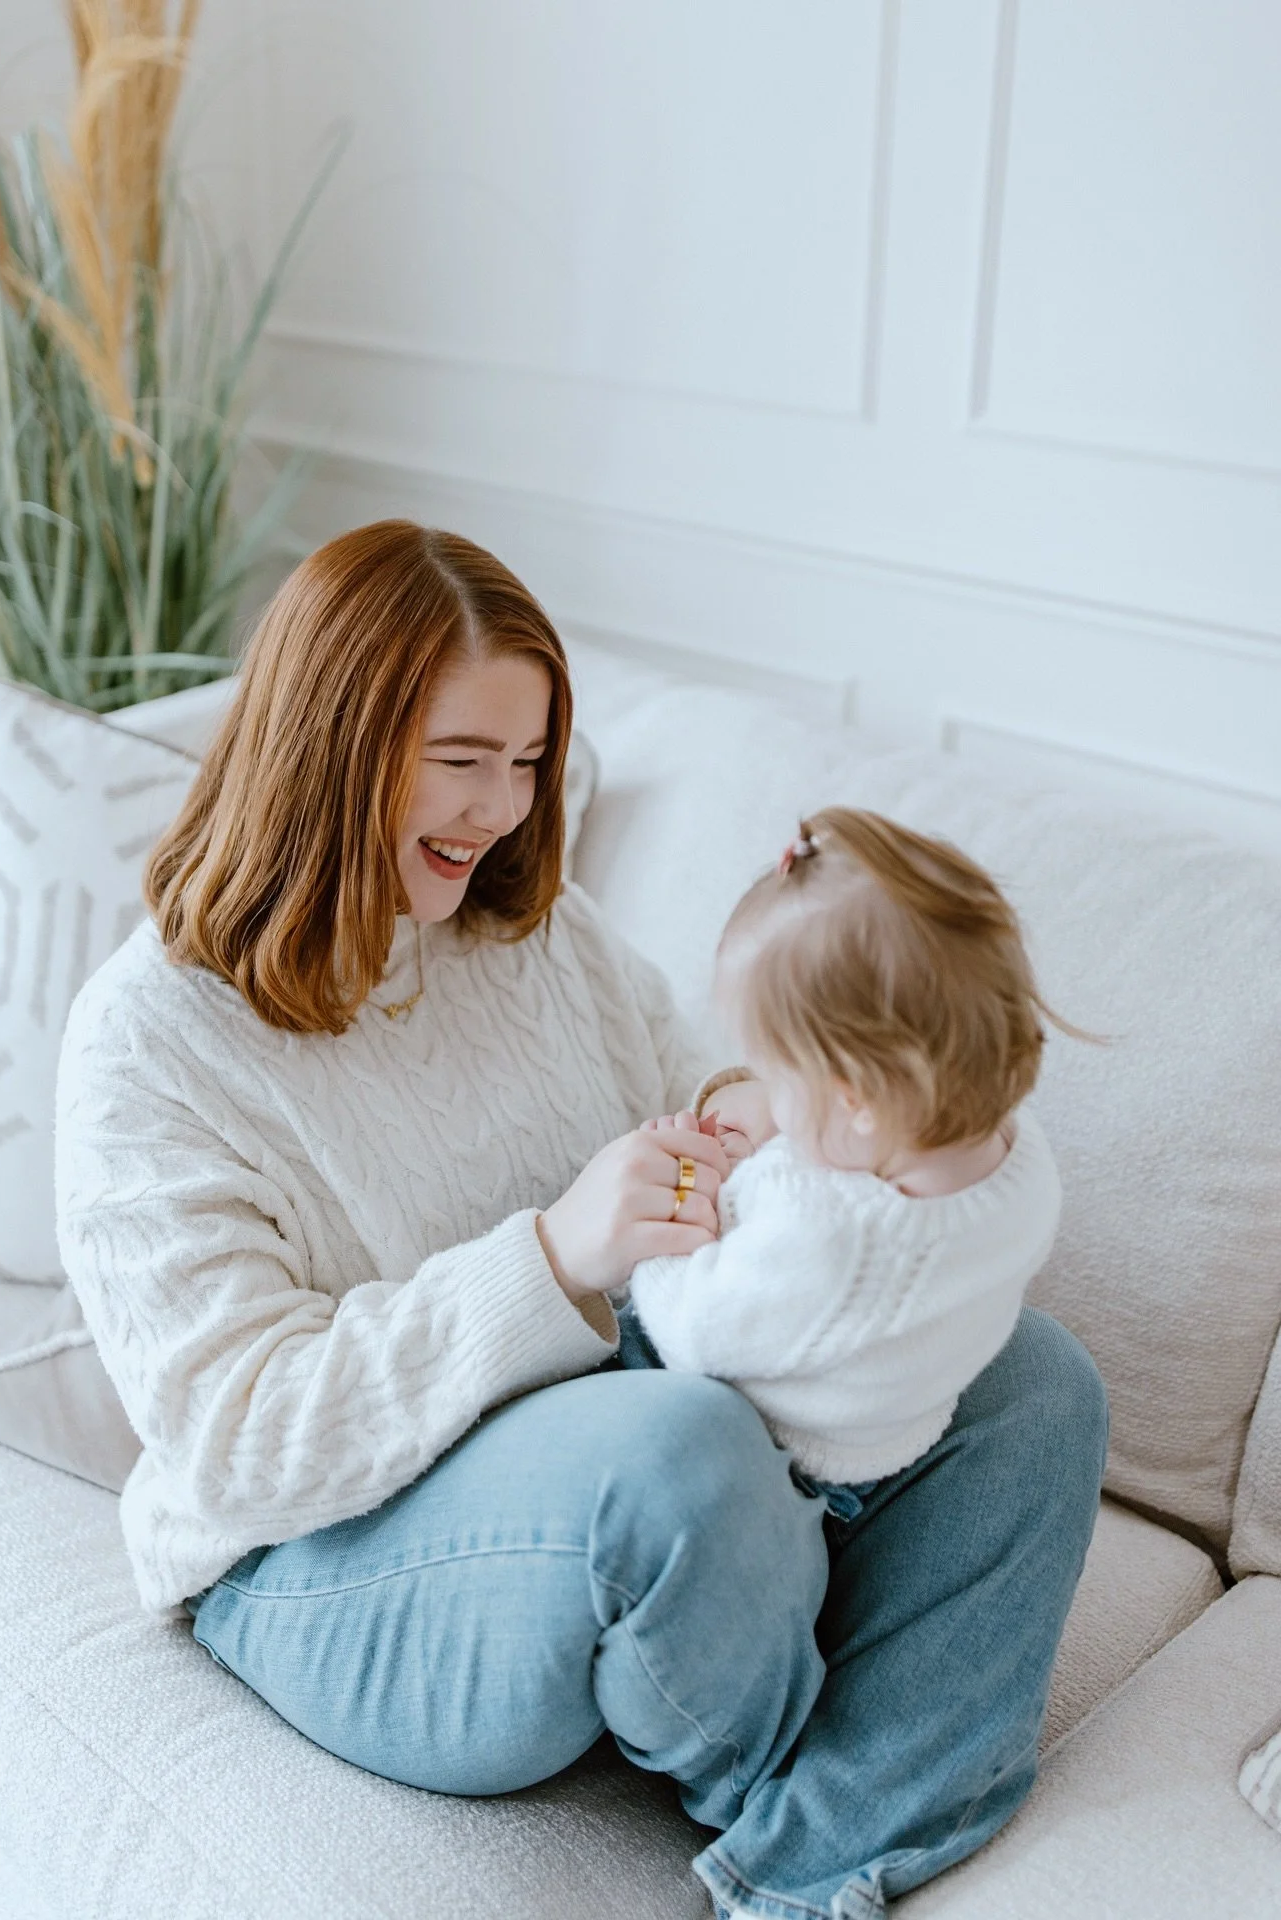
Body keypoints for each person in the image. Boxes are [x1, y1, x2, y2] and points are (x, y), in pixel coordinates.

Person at [53, 520, 1108, 1919]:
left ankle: (823, 1852)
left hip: (585, 1426)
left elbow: (696, 1081)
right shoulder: (150, 1042)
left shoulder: (527, 926)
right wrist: (553, 1257)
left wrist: (774, 1120)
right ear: (334, 743)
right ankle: (808, 1806)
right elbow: (242, 1440)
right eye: (463, 761)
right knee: (682, 1456)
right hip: (313, 1546)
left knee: (1036, 1384)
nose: (501, 808)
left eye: (531, 761)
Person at [628, 807, 1066, 1505]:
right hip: (897, 1418)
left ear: (858, 1100)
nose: (762, 1088)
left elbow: (696, 1329)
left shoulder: (831, 1232)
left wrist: (688, 1203)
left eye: (774, 1072)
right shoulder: (1018, 1159)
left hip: (781, 1443)